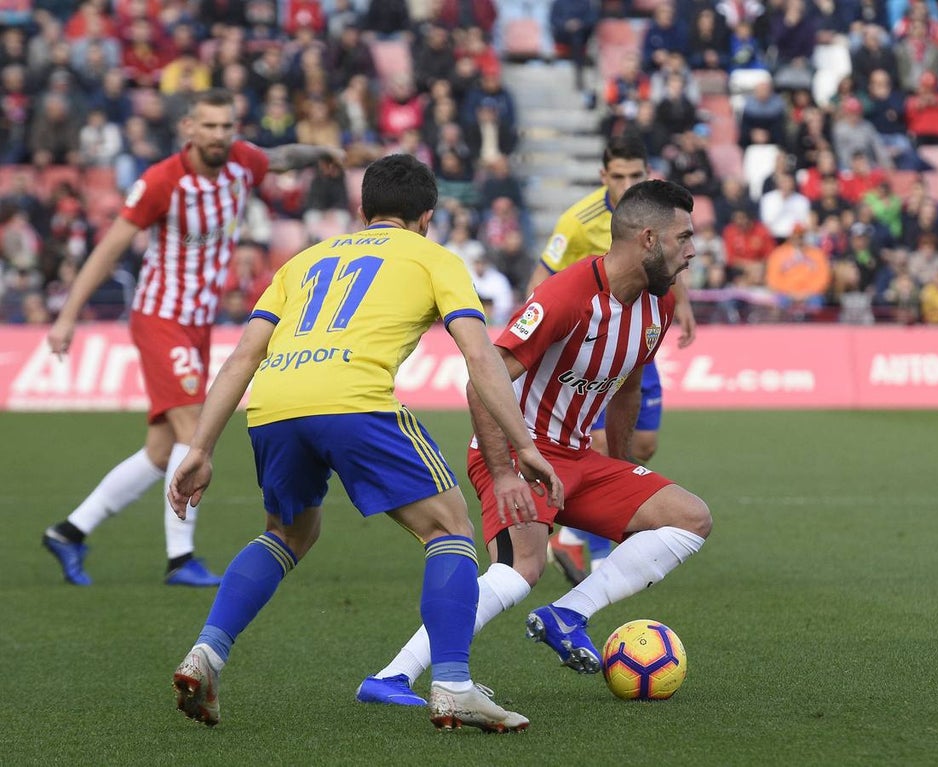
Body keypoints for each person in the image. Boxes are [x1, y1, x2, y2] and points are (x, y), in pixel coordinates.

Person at [167, 154, 563, 732]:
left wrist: (200, 448)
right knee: (449, 527)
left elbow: (242, 358)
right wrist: (523, 445)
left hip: (274, 404)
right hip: (353, 399)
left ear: (362, 209)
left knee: (288, 532)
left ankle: (206, 652)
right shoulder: (435, 257)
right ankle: (452, 685)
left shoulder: (305, 260)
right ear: (426, 216)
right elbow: (480, 356)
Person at [356, 179, 711, 706]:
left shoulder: (656, 308)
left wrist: (621, 478)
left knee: (690, 517)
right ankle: (391, 677)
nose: (693, 250)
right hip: (519, 453)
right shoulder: (568, 294)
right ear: (647, 239)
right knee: (522, 568)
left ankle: (567, 614)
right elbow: (484, 378)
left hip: (578, 457)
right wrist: (503, 471)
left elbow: (627, 391)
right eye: (684, 237)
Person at [41, 89, 345, 587]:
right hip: (161, 317)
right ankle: (180, 559)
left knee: (161, 452)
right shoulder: (161, 181)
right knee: (194, 431)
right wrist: (67, 316)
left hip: (198, 323)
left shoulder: (242, 161)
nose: (220, 135)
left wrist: (322, 154)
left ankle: (69, 532)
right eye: (209, 126)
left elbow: (281, 158)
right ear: (188, 128)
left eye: (227, 126)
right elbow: (109, 248)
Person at [524, 133, 698, 584]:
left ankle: (585, 531)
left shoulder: (659, 214)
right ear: (603, 176)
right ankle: (592, 547)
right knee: (595, 444)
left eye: (635, 175)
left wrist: (682, 304)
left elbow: (667, 261)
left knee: (642, 446)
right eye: (617, 176)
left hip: (639, 335)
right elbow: (541, 279)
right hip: (592, 344)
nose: (626, 183)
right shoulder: (577, 221)